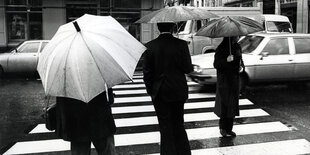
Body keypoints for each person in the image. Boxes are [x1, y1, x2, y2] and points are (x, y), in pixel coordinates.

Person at [143, 22, 193, 155]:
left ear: (158, 28)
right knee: (178, 124)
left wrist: (152, 91)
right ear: (172, 28)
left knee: (165, 127)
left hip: (160, 92)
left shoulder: (150, 46)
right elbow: (188, 68)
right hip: (178, 90)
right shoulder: (181, 44)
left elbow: (147, 74)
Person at [55, 88, 116, 155]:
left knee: (80, 150)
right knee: (106, 149)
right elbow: (110, 99)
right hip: (100, 119)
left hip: (75, 123)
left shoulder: (64, 78)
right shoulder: (95, 78)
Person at [213, 36, 244, 137]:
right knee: (224, 104)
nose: (238, 37)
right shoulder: (221, 48)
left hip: (234, 79)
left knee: (233, 104)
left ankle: (229, 128)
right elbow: (216, 64)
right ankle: (222, 127)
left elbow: (240, 60)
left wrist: (241, 66)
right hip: (225, 80)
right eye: (236, 36)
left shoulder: (237, 47)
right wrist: (226, 60)